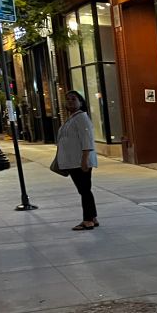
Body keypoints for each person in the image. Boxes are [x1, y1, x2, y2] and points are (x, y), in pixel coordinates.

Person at [55, 90, 99, 230]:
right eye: (68, 99)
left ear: (81, 102)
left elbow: (87, 141)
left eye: (73, 99)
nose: (70, 101)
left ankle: (88, 220)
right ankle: (92, 217)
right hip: (74, 161)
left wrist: (84, 160)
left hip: (80, 162)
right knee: (84, 190)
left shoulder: (81, 118)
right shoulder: (73, 118)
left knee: (84, 190)